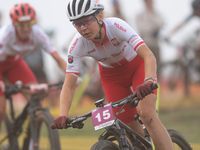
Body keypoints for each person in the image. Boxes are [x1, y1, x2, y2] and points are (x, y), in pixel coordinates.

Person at [53, 0, 173, 149]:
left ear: (100, 16)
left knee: (147, 116)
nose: (83, 28)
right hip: (112, 77)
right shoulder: (77, 44)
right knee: (130, 131)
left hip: (137, 66)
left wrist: (148, 80)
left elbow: (149, 56)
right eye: (77, 24)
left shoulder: (116, 26)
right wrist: (63, 114)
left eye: (86, 21)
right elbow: (69, 85)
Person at [0, 3, 67, 128]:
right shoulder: (5, 33)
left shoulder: (38, 33)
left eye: (28, 24)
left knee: (35, 98)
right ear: (14, 24)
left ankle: (32, 143)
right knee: (1, 110)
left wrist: (72, 76)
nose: (25, 29)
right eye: (21, 25)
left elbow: (57, 58)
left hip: (14, 63)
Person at [136, 0, 163, 80]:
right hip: (145, 45)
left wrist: (151, 14)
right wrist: (152, 29)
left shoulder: (157, 14)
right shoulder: (140, 15)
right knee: (144, 69)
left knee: (157, 70)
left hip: (155, 44)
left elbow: (160, 24)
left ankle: (157, 91)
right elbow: (142, 29)